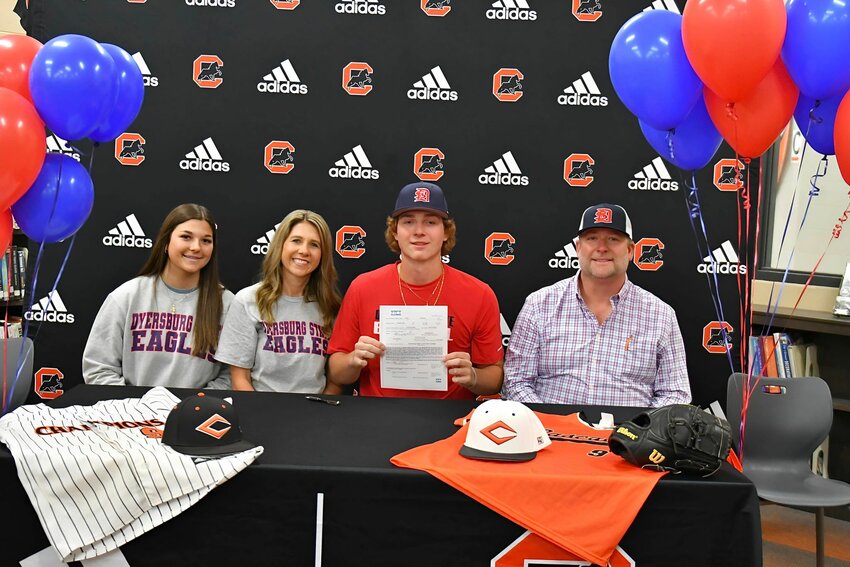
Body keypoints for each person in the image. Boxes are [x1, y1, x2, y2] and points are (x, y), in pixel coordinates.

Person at [326, 181, 504, 399]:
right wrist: (354, 360)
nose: (419, 231)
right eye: (408, 222)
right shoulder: (363, 287)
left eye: (430, 222)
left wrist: (473, 377)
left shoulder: (479, 294)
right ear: (395, 232)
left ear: (446, 232)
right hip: (378, 417)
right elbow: (336, 371)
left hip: (449, 420)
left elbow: (494, 378)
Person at [502, 203, 691, 407]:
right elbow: (516, 382)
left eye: (613, 239)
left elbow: (675, 394)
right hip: (550, 433)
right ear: (578, 248)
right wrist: (550, 425)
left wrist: (639, 433)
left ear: (630, 250)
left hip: (631, 436)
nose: (602, 248)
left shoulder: (661, 314)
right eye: (592, 238)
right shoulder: (539, 304)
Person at [83, 203, 233, 388]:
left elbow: (232, 375)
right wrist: (135, 408)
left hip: (195, 414)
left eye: (206, 240)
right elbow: (98, 368)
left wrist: (195, 406)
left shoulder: (227, 304)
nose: (196, 247)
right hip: (132, 414)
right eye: (186, 237)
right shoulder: (127, 296)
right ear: (166, 242)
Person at [215, 210, 342, 392]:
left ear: (323, 255)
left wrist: (324, 412)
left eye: (314, 245)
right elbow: (239, 378)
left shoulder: (331, 306)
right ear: (280, 245)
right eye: (296, 241)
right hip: (261, 411)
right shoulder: (248, 300)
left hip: (316, 413)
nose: (304, 251)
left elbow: (335, 381)